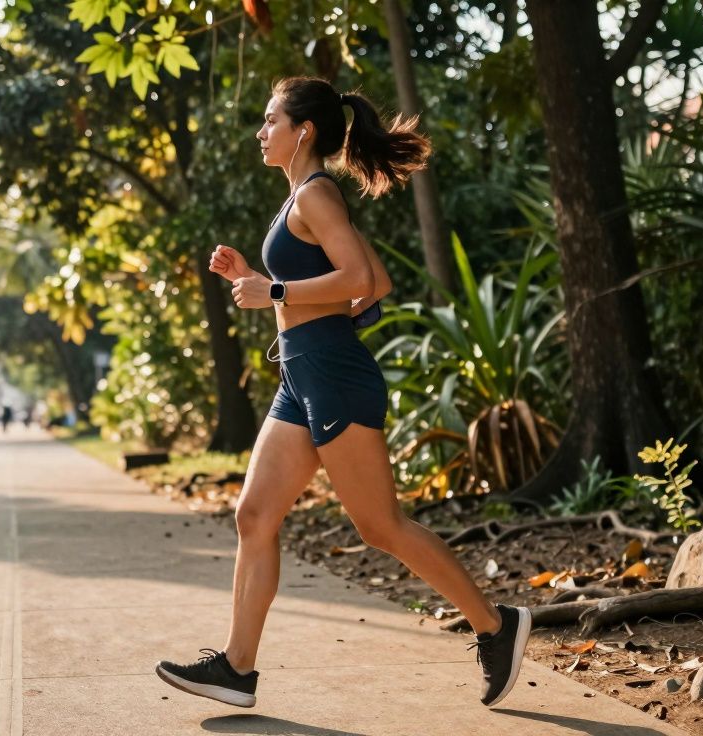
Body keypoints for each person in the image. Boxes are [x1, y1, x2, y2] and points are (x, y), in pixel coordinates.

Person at [154, 77, 530, 710]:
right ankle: (237, 668)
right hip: (300, 379)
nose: (261, 132)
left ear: (303, 130)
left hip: (332, 375)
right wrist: (256, 279)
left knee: (380, 526)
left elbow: (358, 278)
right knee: (254, 516)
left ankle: (496, 626)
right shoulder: (300, 198)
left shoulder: (317, 193)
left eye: (270, 120)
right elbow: (374, 281)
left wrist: (273, 291)